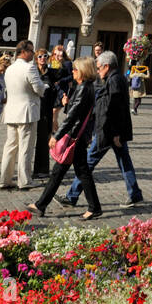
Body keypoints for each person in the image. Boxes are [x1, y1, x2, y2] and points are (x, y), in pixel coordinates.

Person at [62, 50, 144, 212]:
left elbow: (114, 109)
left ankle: (72, 196)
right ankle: (134, 193)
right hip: (113, 130)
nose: (97, 70)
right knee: (123, 161)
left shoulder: (114, 81)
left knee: (89, 162)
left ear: (107, 66)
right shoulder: (114, 79)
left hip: (109, 131)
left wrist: (115, 134)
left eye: (99, 67)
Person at [34, 56, 101, 218]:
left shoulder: (85, 87)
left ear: (83, 71)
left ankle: (41, 205)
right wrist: (67, 103)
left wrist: (56, 136)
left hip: (75, 136)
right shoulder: (84, 86)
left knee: (67, 171)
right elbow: (75, 110)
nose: (72, 71)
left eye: (76, 69)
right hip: (78, 136)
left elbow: (72, 117)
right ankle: (94, 207)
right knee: (79, 172)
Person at [0, 42, 47, 190]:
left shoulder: (10, 68)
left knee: (10, 146)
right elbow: (38, 87)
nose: (33, 54)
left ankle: (5, 179)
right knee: (26, 147)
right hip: (27, 111)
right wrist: (45, 87)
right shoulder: (29, 67)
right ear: (24, 52)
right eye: (31, 51)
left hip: (12, 111)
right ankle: (25, 180)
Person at [33, 48, 57, 178]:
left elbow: (66, 74)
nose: (43, 59)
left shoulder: (51, 73)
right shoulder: (33, 71)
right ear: (36, 58)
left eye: (45, 56)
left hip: (46, 110)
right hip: (34, 108)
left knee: (43, 140)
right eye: (40, 56)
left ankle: (41, 170)